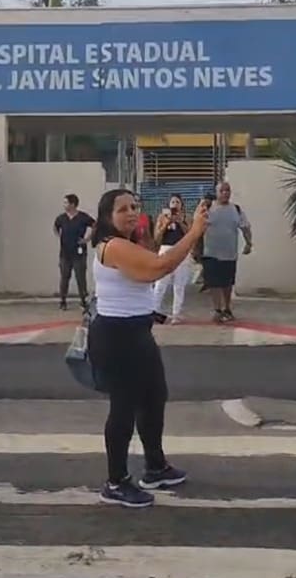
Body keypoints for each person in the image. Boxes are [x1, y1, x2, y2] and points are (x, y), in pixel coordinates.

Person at [87, 187, 207, 508]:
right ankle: (115, 481)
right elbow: (159, 267)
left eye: (133, 207)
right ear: (107, 216)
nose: (130, 213)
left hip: (138, 333)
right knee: (123, 409)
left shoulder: (129, 242)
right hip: (117, 337)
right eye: (122, 209)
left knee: (154, 397)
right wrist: (194, 231)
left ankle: (155, 467)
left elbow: (150, 262)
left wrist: (158, 233)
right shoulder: (111, 246)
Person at [200, 182, 251, 324]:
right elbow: (197, 226)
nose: (225, 193)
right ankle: (217, 310)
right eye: (222, 190)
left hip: (229, 254)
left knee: (227, 283)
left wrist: (249, 243)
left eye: (227, 190)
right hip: (211, 252)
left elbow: (245, 227)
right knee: (214, 283)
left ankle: (227, 308)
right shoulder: (208, 208)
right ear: (216, 192)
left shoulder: (236, 209)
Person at [152, 195, 192, 324]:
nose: (175, 204)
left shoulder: (186, 217)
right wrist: (166, 224)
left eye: (178, 202)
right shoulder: (162, 217)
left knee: (179, 284)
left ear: (181, 205)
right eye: (173, 202)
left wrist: (180, 222)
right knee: (160, 283)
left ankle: (176, 313)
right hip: (166, 249)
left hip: (181, 249)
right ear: (168, 204)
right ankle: (154, 310)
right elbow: (157, 237)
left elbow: (190, 234)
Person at [54, 194, 94, 313]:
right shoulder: (61, 218)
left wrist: (87, 239)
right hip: (65, 253)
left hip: (79, 252)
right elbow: (55, 227)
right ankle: (63, 301)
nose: (64, 205)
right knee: (64, 277)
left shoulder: (83, 217)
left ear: (72, 204)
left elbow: (94, 225)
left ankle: (83, 300)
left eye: (66, 203)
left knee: (80, 277)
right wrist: (59, 237)